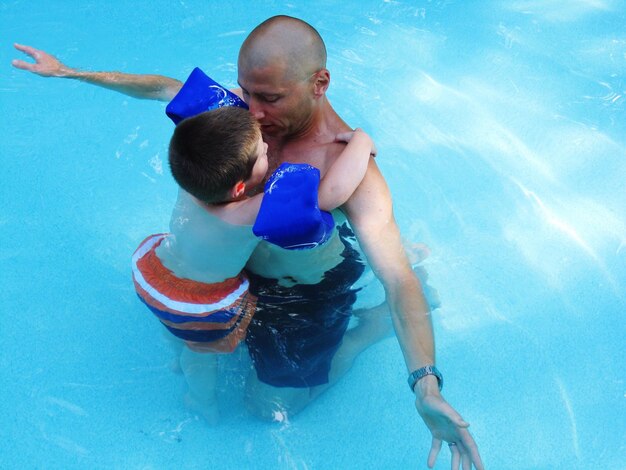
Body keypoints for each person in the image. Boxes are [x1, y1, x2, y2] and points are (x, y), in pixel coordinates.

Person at [13, 15, 483, 469]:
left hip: (306, 294)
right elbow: (164, 87)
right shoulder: (237, 115)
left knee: (266, 406)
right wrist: (69, 72)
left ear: (320, 83)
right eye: (247, 91)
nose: (252, 111)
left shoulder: (348, 170)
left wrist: (425, 383)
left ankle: (365, 332)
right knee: (188, 352)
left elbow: (397, 276)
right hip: (231, 281)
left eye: (271, 98)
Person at [132, 105, 376, 422]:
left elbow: (208, 134)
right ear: (238, 188)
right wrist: (362, 142)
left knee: (179, 337)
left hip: (154, 269)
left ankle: (177, 355)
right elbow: (329, 194)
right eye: (263, 153)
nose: (267, 149)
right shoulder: (246, 211)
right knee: (200, 356)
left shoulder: (192, 178)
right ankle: (200, 399)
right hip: (195, 303)